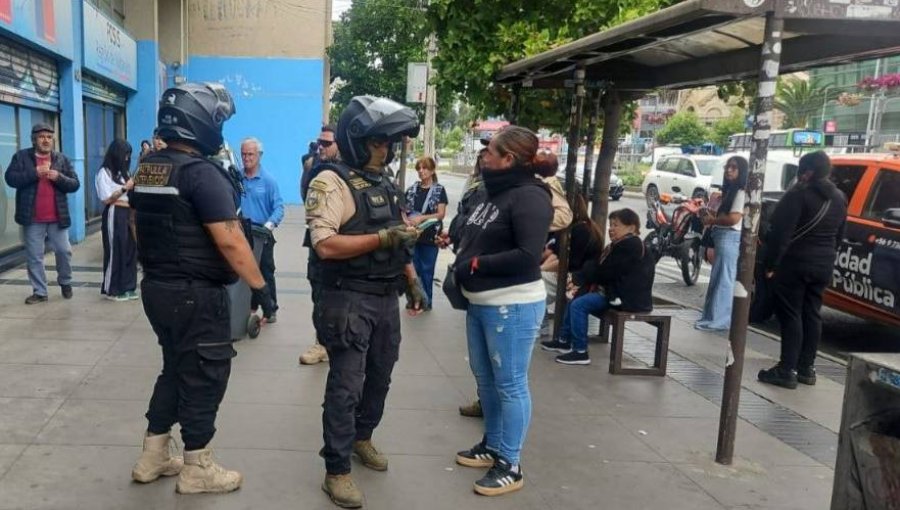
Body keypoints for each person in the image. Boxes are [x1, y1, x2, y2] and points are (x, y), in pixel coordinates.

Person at [129, 82, 276, 494]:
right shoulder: (201, 174)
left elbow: (136, 225)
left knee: (175, 368)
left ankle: (153, 455)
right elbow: (231, 239)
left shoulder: (149, 169)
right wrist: (261, 288)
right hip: (196, 295)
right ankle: (198, 467)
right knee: (206, 376)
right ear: (200, 123)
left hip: (157, 289)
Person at [305, 95, 425, 508]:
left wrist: (411, 279)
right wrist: (382, 239)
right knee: (345, 386)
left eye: (388, 143)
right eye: (379, 142)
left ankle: (362, 437)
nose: (386, 149)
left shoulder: (384, 182)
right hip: (348, 298)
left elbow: (397, 230)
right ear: (359, 141)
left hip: (384, 297)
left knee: (380, 375)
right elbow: (325, 245)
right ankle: (336, 470)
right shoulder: (330, 181)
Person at [452, 126, 553, 497]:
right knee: (486, 379)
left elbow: (528, 255)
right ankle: (492, 444)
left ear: (509, 158)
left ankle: (510, 463)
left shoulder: (530, 197)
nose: (485, 156)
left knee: (510, 384)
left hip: (512, 304)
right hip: (481, 304)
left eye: (491, 151)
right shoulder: (494, 192)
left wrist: (476, 265)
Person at [758, 151, 847, 389]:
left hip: (795, 263)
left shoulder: (798, 195)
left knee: (791, 314)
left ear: (806, 172)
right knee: (812, 313)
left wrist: (770, 265)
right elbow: (839, 234)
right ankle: (807, 368)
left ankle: (787, 369)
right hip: (823, 263)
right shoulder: (839, 197)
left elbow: (780, 234)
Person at [540, 208, 654, 364]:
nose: (611, 229)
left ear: (632, 227)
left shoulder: (631, 245)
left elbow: (607, 273)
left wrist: (587, 271)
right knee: (575, 297)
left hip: (626, 298)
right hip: (614, 293)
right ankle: (564, 340)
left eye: (616, 225)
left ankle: (580, 351)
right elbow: (602, 269)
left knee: (579, 304)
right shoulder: (621, 244)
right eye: (610, 225)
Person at [3, 123, 80, 304]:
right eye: (41, 137)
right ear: (34, 139)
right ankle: (40, 291)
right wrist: (34, 173)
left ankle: (65, 281)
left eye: (49, 137)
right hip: (32, 218)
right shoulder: (21, 157)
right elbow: (10, 179)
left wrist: (59, 177)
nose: (46, 140)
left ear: (53, 140)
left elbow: (75, 184)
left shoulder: (61, 159)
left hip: (57, 217)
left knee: (64, 251)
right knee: (34, 256)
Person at [298, 124, 340, 366]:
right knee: (319, 293)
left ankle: (337, 342)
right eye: (319, 142)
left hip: (342, 242)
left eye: (327, 143)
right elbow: (306, 198)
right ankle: (322, 342)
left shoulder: (348, 169)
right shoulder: (312, 167)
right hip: (317, 241)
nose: (321, 147)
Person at [694, 155, 748, 331]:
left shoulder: (740, 191)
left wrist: (712, 221)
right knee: (718, 279)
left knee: (724, 280)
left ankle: (719, 320)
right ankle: (711, 317)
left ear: (742, 172)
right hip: (722, 236)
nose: (729, 170)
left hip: (729, 236)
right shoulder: (730, 190)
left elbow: (733, 219)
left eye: (734, 167)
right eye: (727, 167)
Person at [240, 137, 284, 322]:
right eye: (243, 154)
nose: (246, 158)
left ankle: (270, 308)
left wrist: (270, 224)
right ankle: (249, 307)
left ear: (259, 155)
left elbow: (279, 207)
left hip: (261, 235)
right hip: (241, 233)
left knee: (265, 271)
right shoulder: (238, 178)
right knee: (243, 272)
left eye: (250, 154)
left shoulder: (268, 181)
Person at [94, 139, 138, 301]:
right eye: (124, 155)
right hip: (115, 212)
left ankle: (128, 286)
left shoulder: (124, 173)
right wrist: (125, 188)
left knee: (130, 249)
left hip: (129, 213)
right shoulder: (104, 173)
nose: (127, 158)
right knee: (116, 249)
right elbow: (106, 199)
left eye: (129, 155)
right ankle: (113, 288)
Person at [405, 156, 448, 310]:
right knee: (412, 270)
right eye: (419, 168)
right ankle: (413, 300)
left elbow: (441, 214)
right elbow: (404, 211)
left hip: (430, 236)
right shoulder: (412, 190)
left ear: (432, 171)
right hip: (413, 236)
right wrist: (408, 221)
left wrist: (421, 218)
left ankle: (426, 301)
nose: (421, 171)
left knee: (427, 270)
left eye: (425, 168)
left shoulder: (439, 190)